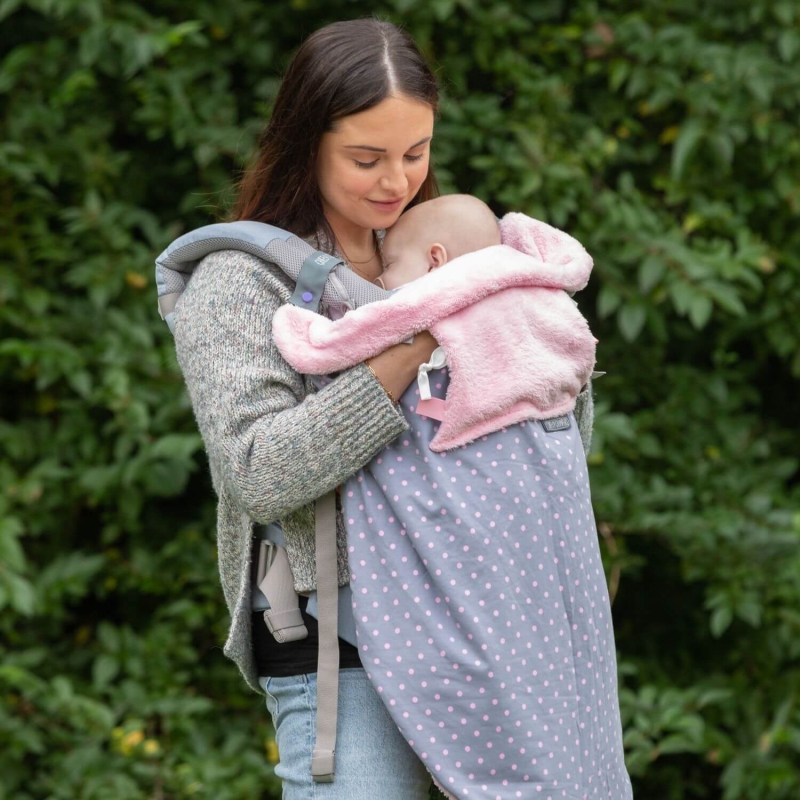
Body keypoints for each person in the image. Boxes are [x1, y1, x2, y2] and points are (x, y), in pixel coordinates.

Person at [168, 16, 613, 799]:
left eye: (416, 153)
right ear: (306, 140)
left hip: (491, 641)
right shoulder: (243, 283)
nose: (396, 180)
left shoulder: (461, 253)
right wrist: (412, 343)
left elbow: (551, 433)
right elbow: (260, 473)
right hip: (344, 658)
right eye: (366, 158)